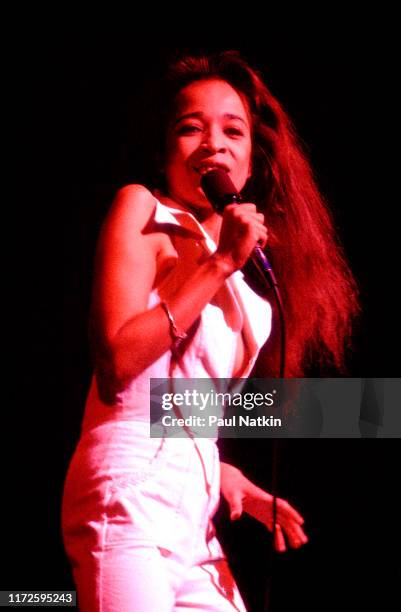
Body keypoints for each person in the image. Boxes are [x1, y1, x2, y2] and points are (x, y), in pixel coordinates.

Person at [61, 51, 359, 611]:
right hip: (126, 498)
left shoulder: (247, 291)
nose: (213, 144)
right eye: (189, 128)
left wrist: (224, 473)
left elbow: (173, 407)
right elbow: (117, 368)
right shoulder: (143, 211)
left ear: (251, 160)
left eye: (232, 130)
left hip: (193, 521)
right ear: (162, 150)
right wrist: (218, 264)